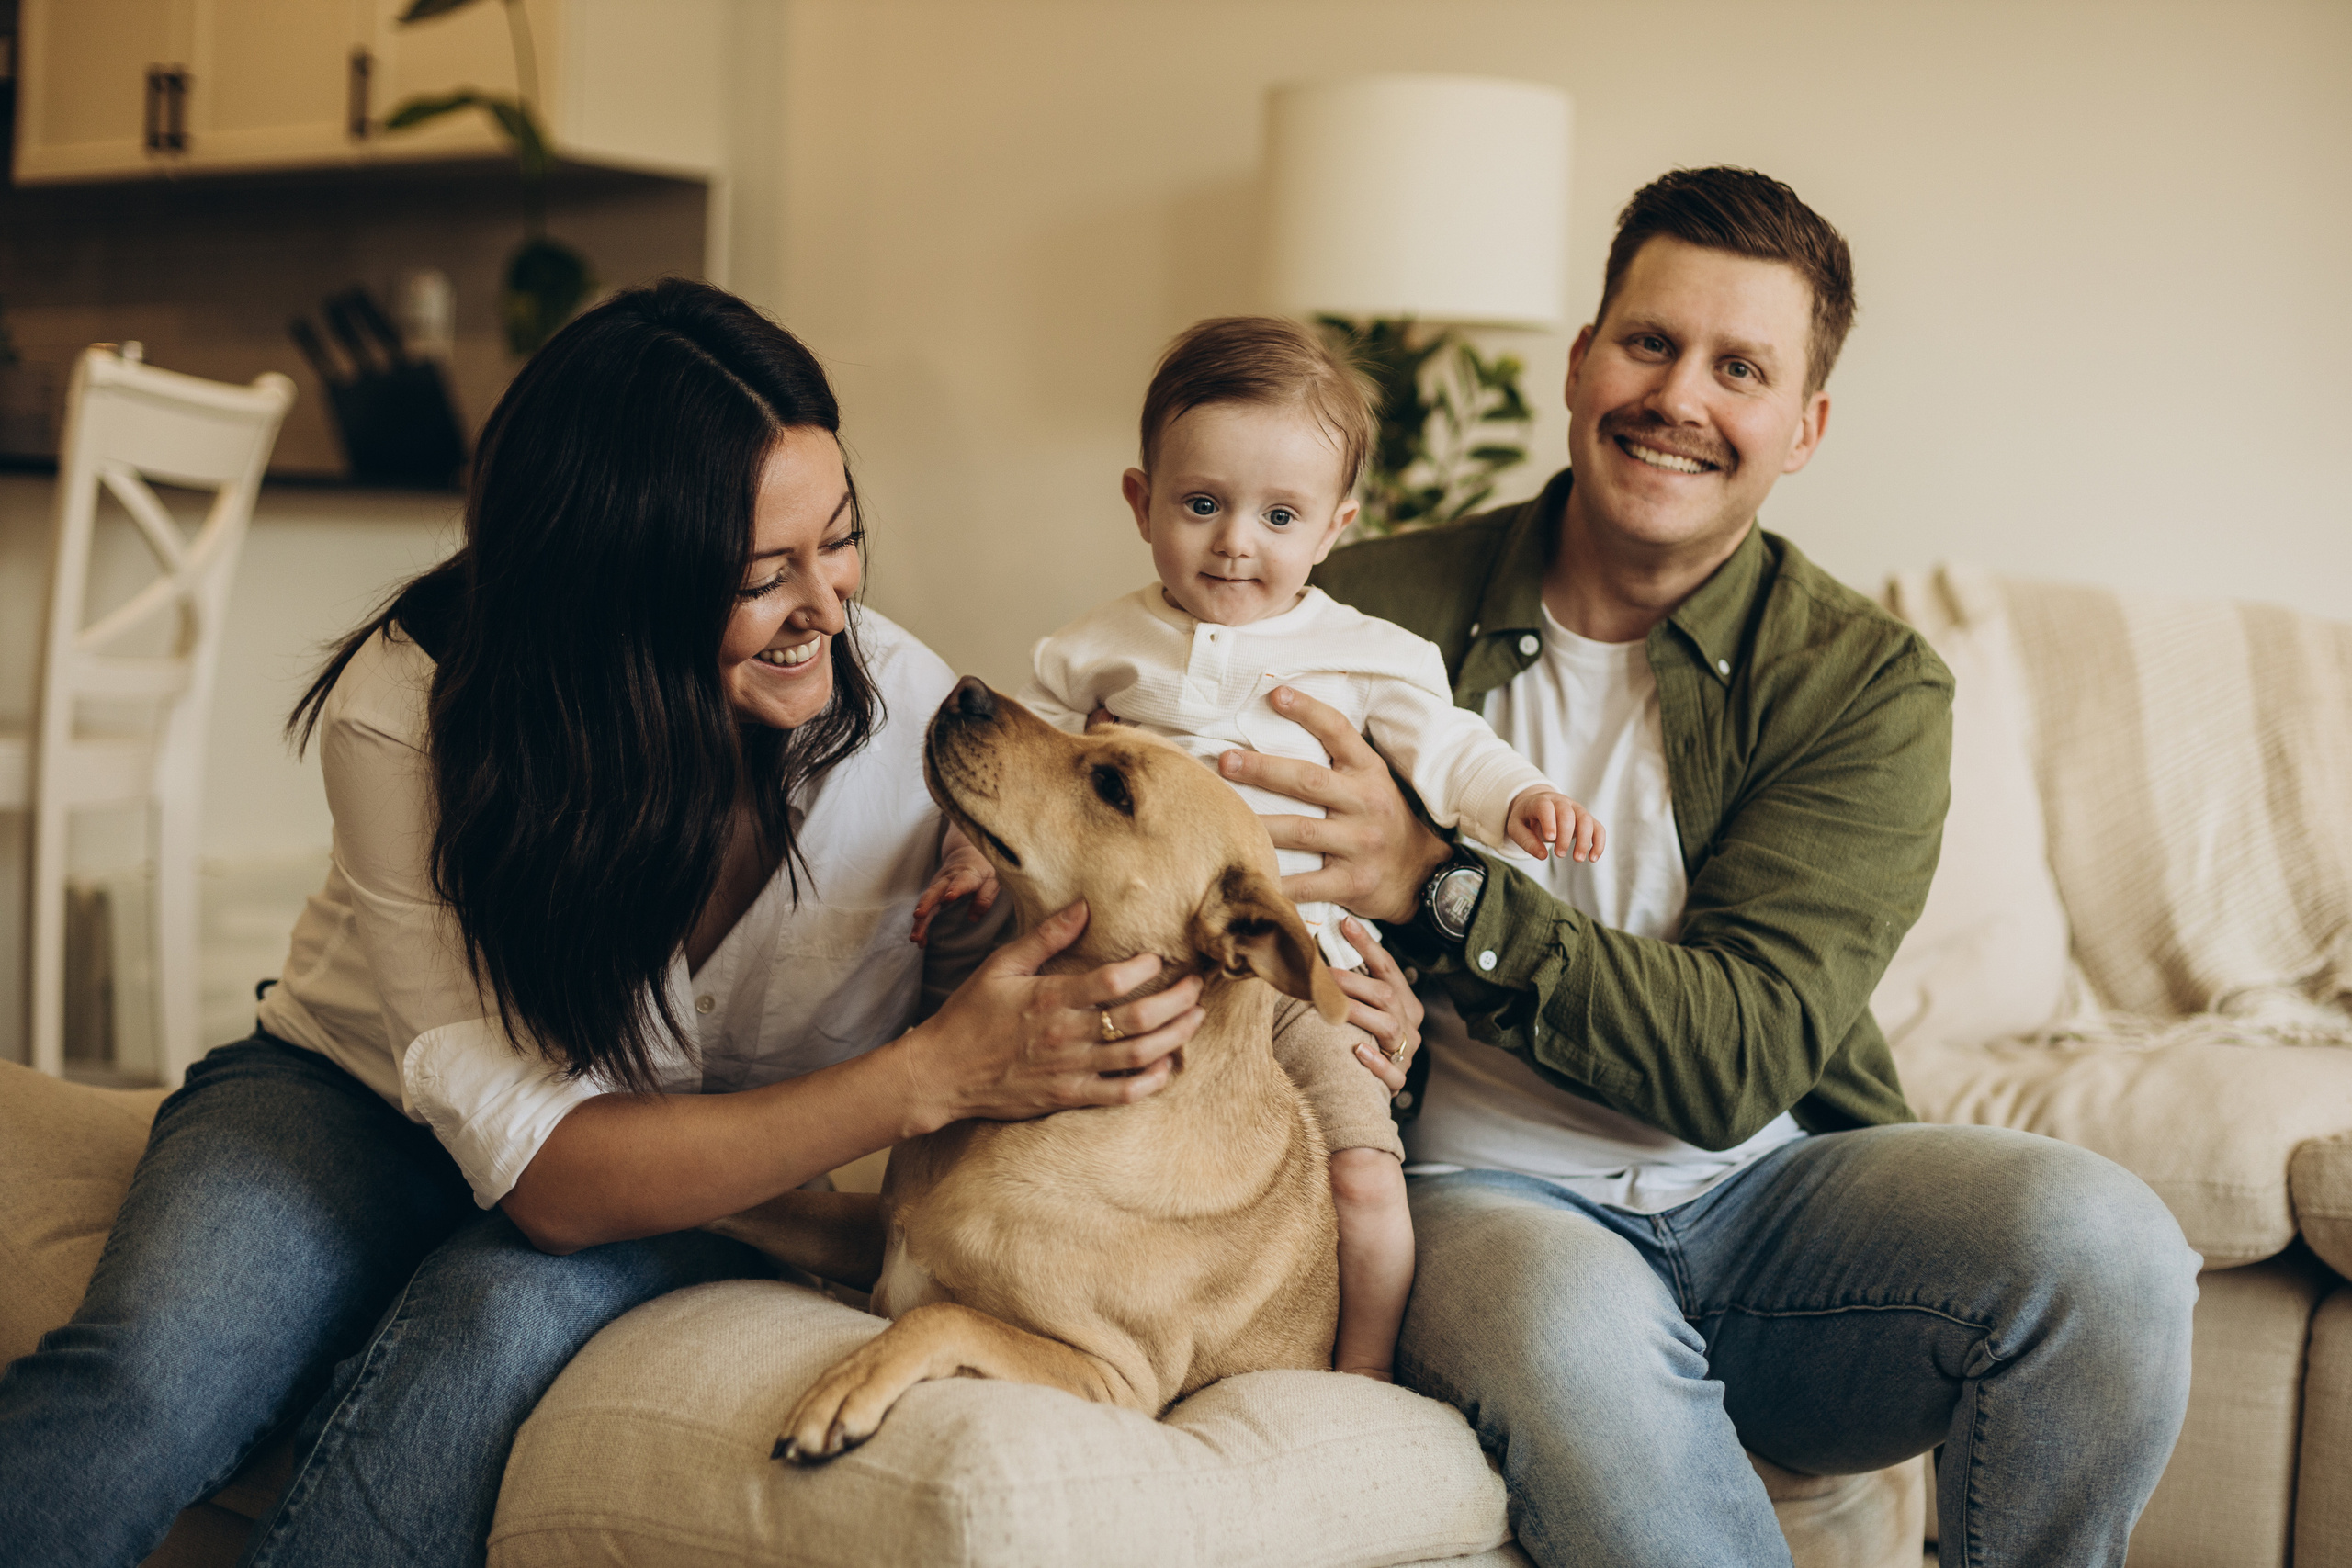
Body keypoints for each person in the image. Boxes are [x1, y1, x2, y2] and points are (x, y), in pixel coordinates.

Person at [0, 280, 1424, 1568]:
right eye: (762, 573)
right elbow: (550, 1169)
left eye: (843, 539)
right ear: (618, 578)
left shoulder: (926, 736)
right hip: (355, 1097)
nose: (829, 610)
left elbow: (1182, 939)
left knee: (476, 1337)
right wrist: (933, 1071)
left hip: (695, 1163)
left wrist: (1357, 1009)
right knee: (141, 1378)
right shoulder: (412, 706)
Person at [1216, 168, 2201, 1565]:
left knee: (2112, 1242)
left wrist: (1442, 881)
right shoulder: (1365, 612)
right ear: (1580, 356)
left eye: (1739, 368)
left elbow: (1740, 1053)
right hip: (1478, 1197)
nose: (1680, 396)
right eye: (1650, 342)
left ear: (1802, 428)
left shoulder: (1863, 683)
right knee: (1574, 1322)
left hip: (1772, 1203)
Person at [913, 315, 1594, 1382]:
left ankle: (1353, 1385)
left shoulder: (1369, 655)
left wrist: (1518, 802)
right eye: (1201, 505)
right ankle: (1063, 1306)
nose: (1237, 541)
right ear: (1141, 503)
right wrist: (966, 850)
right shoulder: (1101, 642)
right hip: (1138, 962)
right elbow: (1019, 758)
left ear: (1334, 527)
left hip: (1298, 978)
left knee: (1364, 1179)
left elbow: (1451, 749)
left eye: (1279, 515)